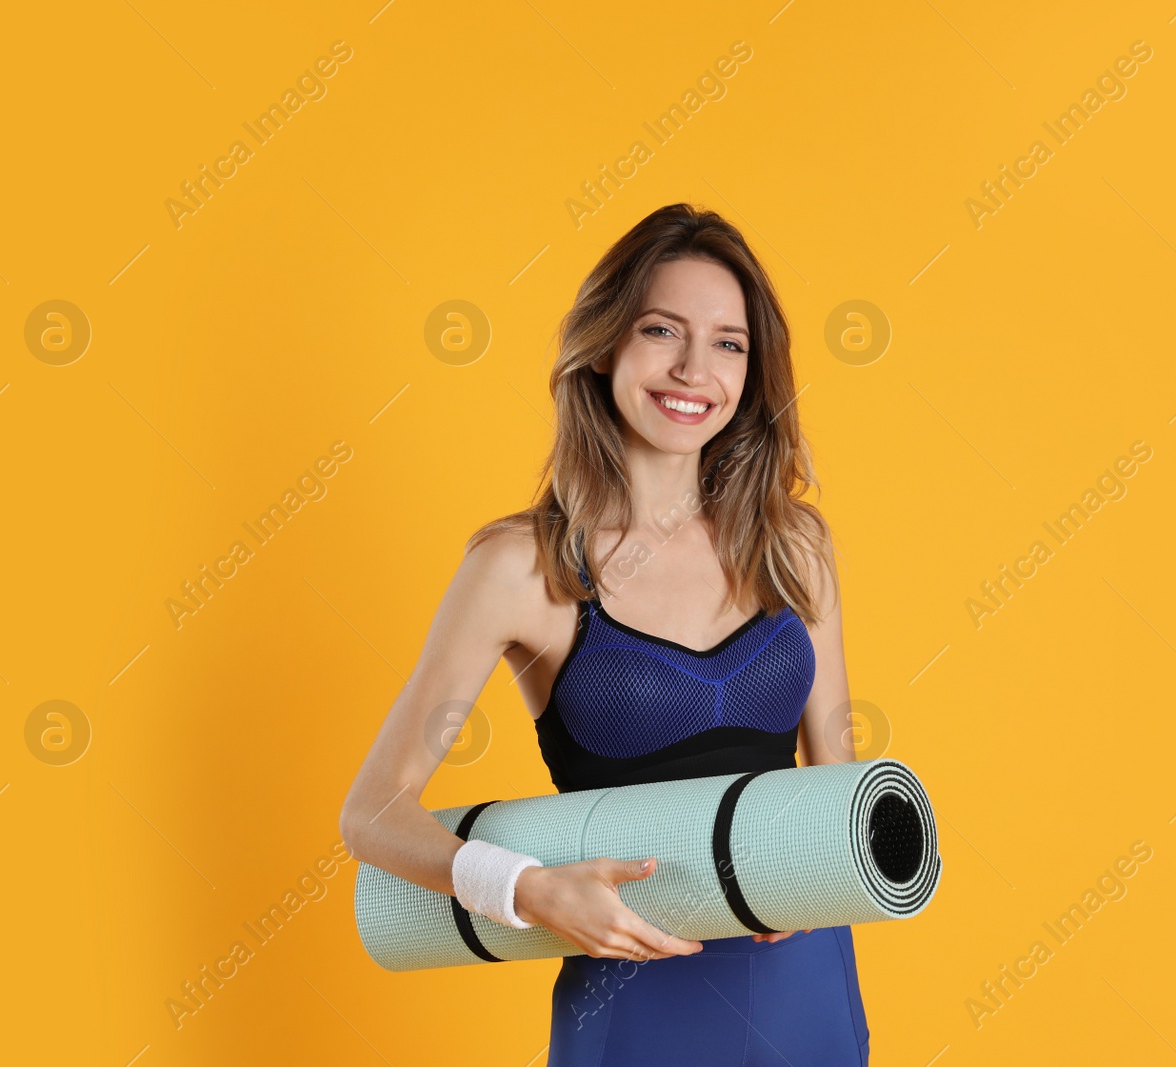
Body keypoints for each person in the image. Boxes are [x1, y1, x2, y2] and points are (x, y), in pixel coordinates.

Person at [340, 202, 870, 1065]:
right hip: (634, 998)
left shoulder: (794, 548)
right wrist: (528, 888)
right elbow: (373, 812)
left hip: (803, 990)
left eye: (729, 343)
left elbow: (835, 781)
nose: (695, 370)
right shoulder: (524, 568)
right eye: (664, 330)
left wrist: (831, 872)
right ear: (607, 345)